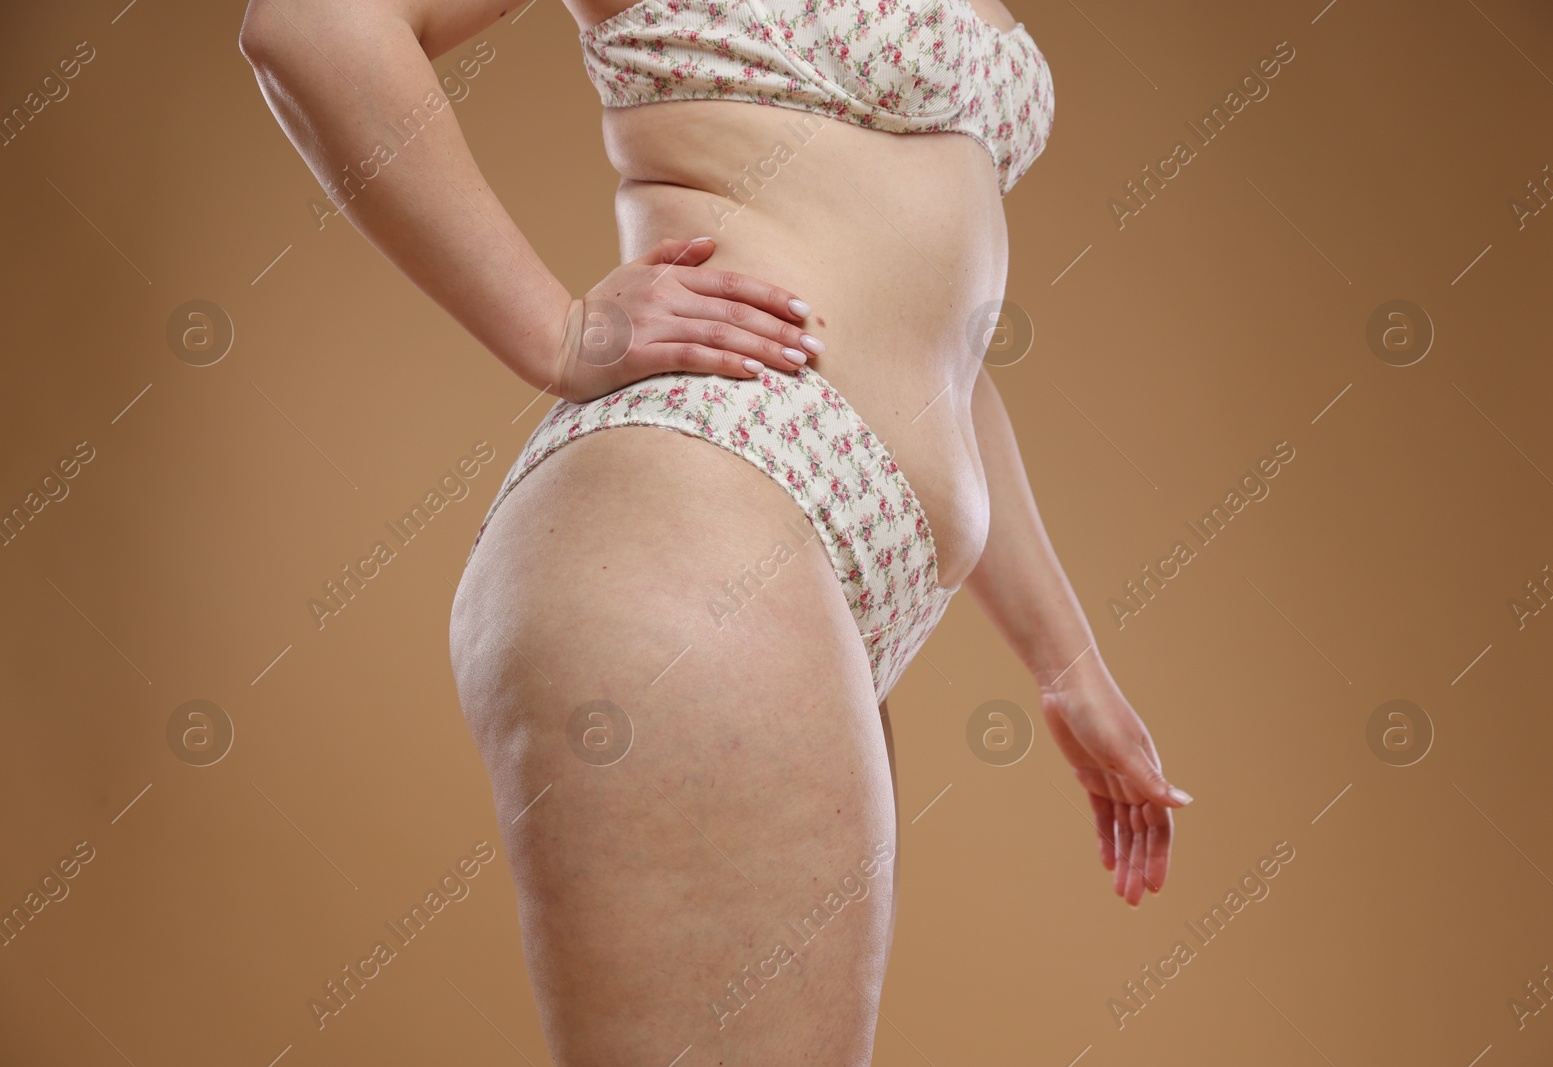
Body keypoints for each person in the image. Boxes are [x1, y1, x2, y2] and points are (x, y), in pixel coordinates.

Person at [240, 0, 1192, 1059]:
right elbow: (315, 23)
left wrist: (1069, 666)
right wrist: (560, 330)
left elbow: (944, 358)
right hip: (702, 510)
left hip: (815, 566)